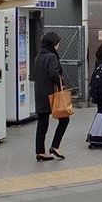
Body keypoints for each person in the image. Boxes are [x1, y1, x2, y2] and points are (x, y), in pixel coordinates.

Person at [33, 32, 69, 161]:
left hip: (39, 93)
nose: (59, 45)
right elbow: (54, 74)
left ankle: (40, 152)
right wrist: (62, 82)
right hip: (53, 94)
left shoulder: (38, 57)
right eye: (57, 43)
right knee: (65, 120)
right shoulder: (52, 57)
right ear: (53, 44)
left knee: (42, 123)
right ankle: (55, 146)